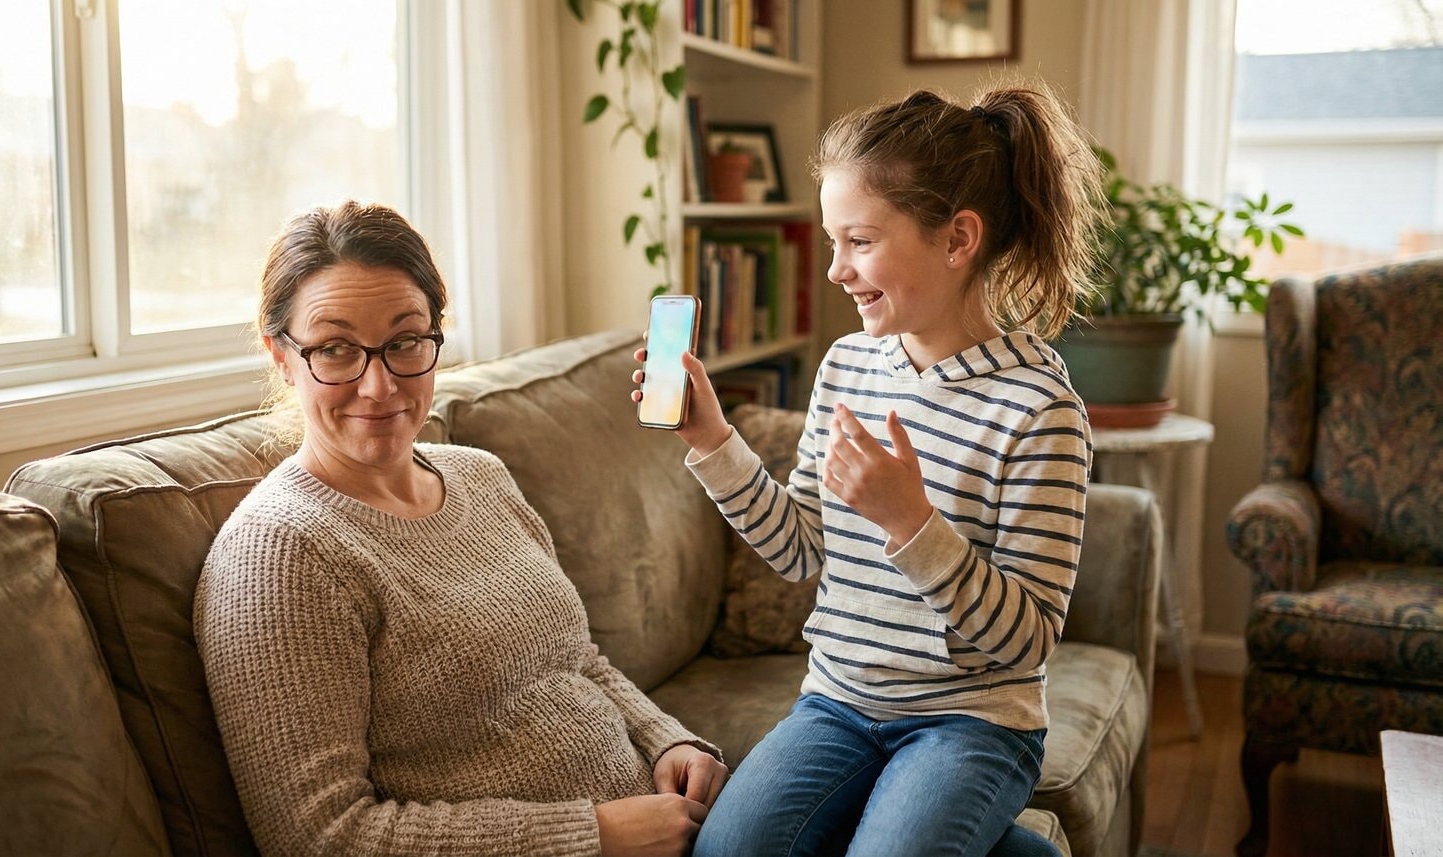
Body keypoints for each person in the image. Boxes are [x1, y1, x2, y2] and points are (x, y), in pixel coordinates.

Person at [631, 82, 1105, 857]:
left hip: (973, 721)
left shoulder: (1040, 409)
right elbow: (800, 550)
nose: (834, 271)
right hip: (839, 703)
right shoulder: (847, 366)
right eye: (831, 242)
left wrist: (909, 523)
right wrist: (711, 436)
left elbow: (1026, 643)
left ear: (958, 240)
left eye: (859, 241)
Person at [196, 201, 727, 857]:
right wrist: (596, 834)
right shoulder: (280, 555)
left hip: (668, 822)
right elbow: (322, 836)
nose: (379, 384)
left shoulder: (479, 475)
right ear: (282, 356)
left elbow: (573, 658)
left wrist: (665, 736)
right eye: (335, 349)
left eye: (405, 341)